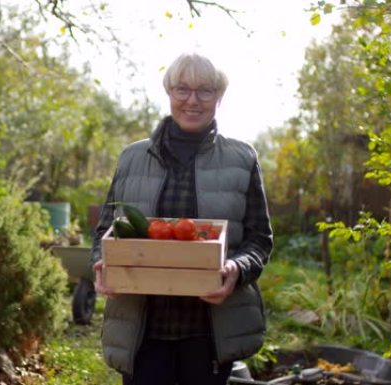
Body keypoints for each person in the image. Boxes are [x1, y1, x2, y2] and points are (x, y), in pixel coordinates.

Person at [90, 52, 273, 385]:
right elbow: (105, 230)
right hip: (142, 328)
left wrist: (236, 269)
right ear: (168, 92)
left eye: (205, 90)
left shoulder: (242, 158)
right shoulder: (132, 158)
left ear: (219, 97)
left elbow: (260, 240)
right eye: (182, 89)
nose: (193, 100)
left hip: (208, 331)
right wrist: (102, 264)